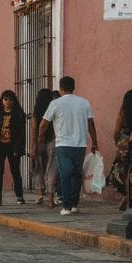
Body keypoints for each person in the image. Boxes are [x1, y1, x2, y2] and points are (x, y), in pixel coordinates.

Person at [38, 76, 99, 216]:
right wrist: (95, 142)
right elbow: (91, 124)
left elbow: (43, 124)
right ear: (74, 87)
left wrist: (41, 138)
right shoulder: (84, 103)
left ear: (61, 88)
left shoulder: (55, 104)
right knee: (77, 174)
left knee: (65, 175)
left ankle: (66, 206)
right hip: (80, 145)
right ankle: (74, 205)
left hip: (63, 145)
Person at [0, 90, 27, 206]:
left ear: (14, 101)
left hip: (13, 146)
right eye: (5, 99)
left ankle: (19, 196)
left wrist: (19, 148)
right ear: (2, 100)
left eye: (10, 100)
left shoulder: (19, 114)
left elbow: (21, 134)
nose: (8, 102)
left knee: (15, 171)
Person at [107, 89, 132, 210]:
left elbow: (116, 130)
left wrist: (116, 142)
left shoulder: (123, 112)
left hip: (124, 145)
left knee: (118, 171)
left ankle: (124, 195)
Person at [31, 88, 59, 205]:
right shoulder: (53, 108)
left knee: (39, 168)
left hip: (39, 141)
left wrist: (33, 145)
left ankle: (40, 194)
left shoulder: (36, 110)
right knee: (52, 168)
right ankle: (51, 198)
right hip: (52, 139)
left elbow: (34, 128)